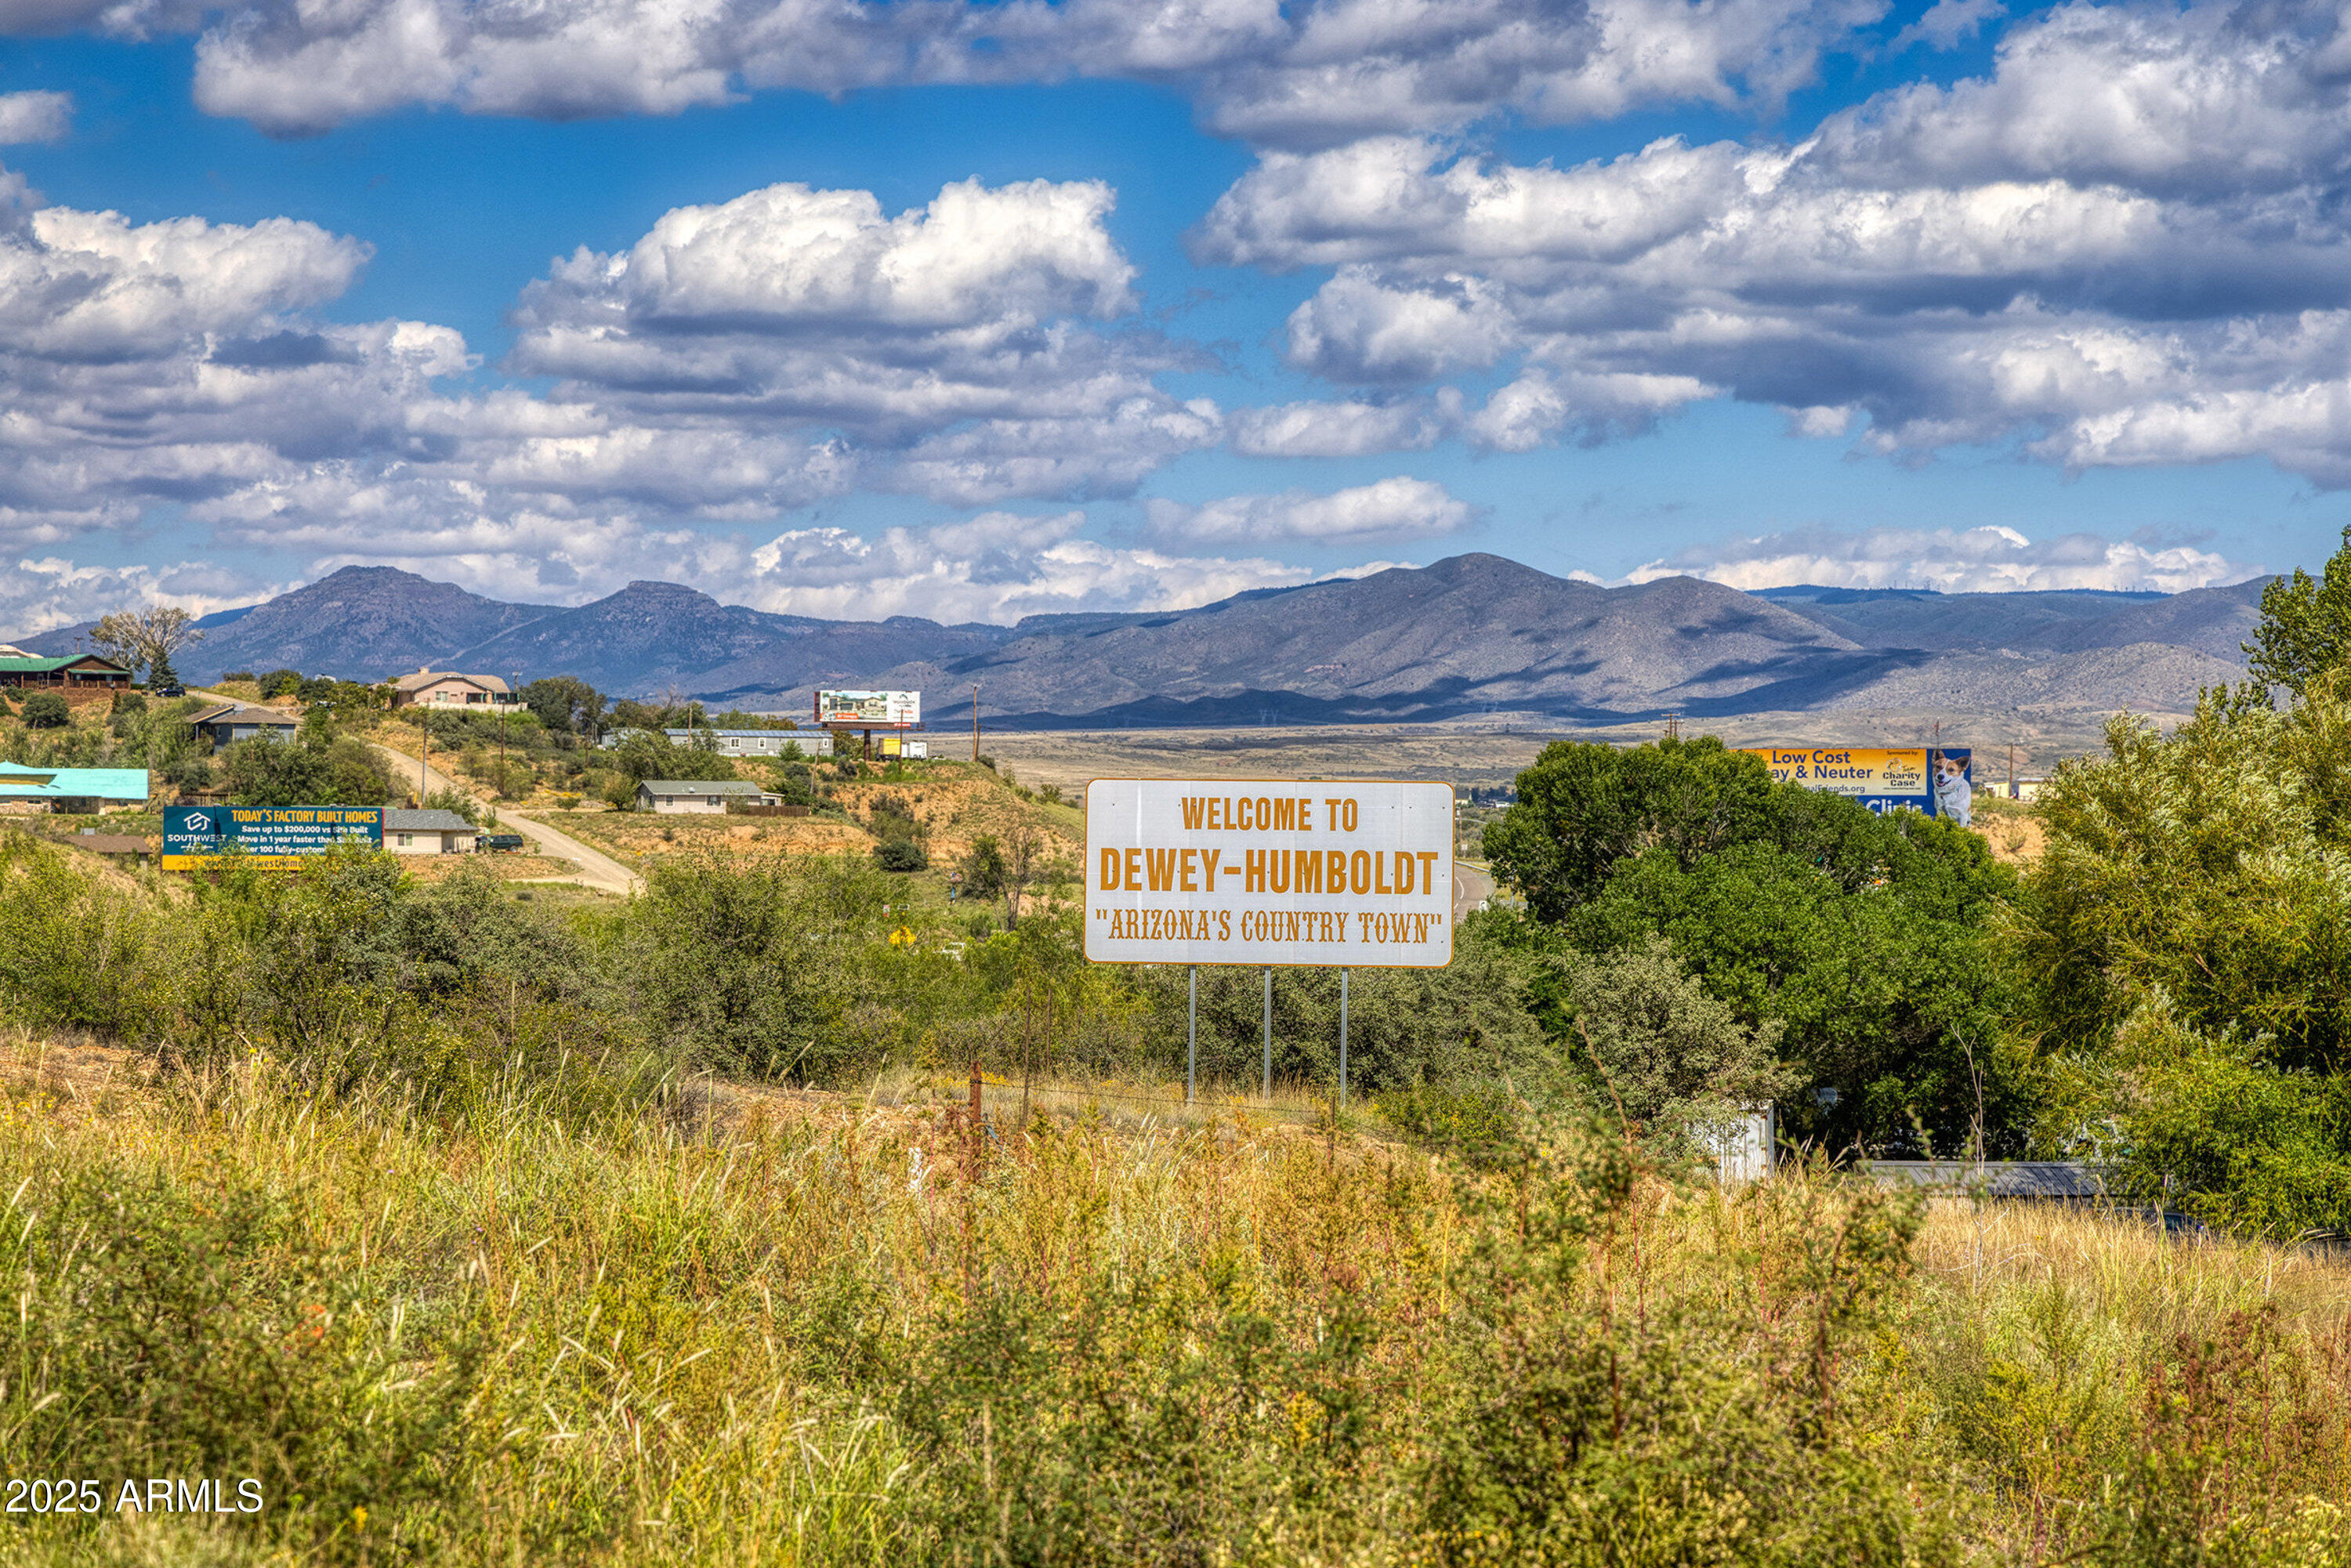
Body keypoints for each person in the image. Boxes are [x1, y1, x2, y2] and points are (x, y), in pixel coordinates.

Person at [1933, 750, 1972, 827]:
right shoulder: (1937, 791)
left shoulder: (1966, 792)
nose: (1941, 774)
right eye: (1939, 767)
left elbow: (1963, 817)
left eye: (1951, 770)